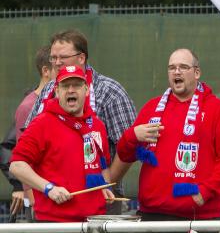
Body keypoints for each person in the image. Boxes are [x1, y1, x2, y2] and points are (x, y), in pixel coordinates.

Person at [111, 48, 220, 221]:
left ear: (197, 73)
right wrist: (132, 136)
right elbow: (125, 154)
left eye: (183, 67)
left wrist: (207, 190)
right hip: (152, 214)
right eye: (172, 68)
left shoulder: (217, 110)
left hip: (198, 216)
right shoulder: (152, 108)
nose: (176, 72)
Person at [24, 29, 136, 213]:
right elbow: (25, 145)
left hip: (100, 201)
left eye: (63, 57)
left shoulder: (110, 91)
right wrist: (32, 189)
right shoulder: (49, 89)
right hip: (52, 199)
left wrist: (103, 185)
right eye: (53, 58)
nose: (57, 63)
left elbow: (128, 147)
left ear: (82, 58)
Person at [10, 65, 114, 222]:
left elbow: (103, 164)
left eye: (77, 85)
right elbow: (17, 166)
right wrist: (48, 188)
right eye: (65, 86)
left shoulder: (97, 125)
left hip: (94, 220)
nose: (71, 90)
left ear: (86, 90)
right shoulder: (42, 123)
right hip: (55, 222)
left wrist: (104, 187)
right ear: (57, 91)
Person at [0, 45, 54, 221]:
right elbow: (18, 155)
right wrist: (24, 191)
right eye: (58, 66)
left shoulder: (62, 102)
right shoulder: (28, 106)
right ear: (46, 70)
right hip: (40, 202)